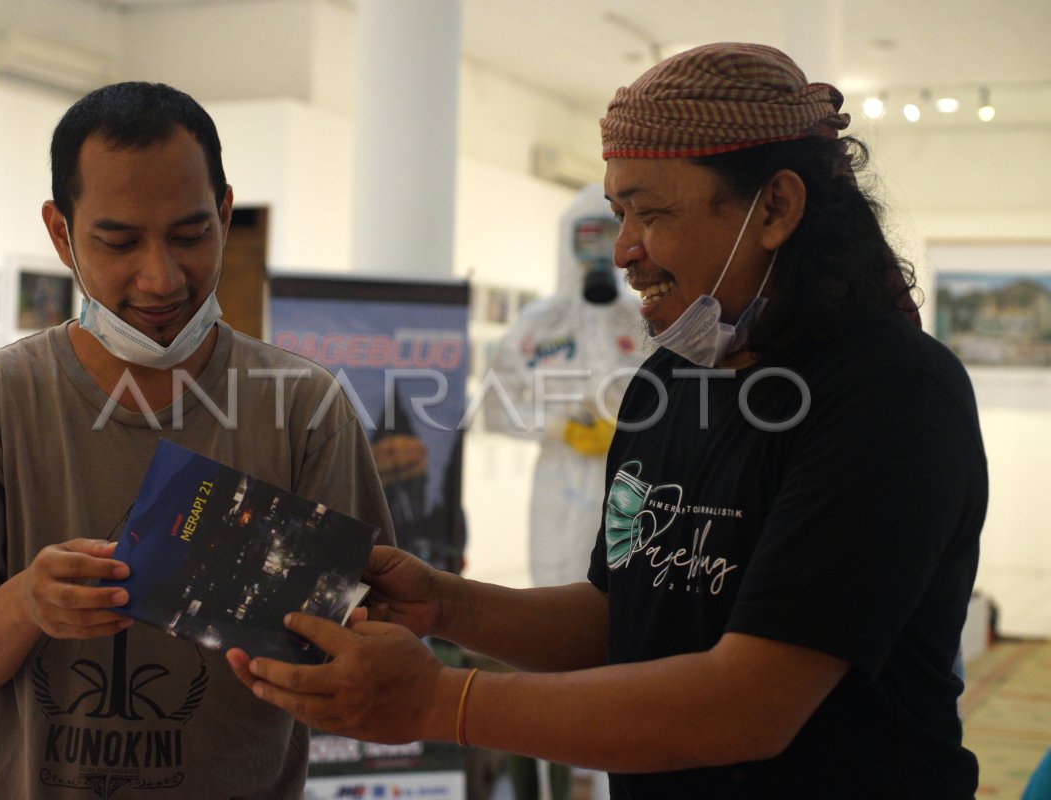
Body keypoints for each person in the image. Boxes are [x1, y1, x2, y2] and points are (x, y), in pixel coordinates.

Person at [226, 43, 988, 799]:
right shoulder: (672, 376)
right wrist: (448, 605)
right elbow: (623, 616)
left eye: (651, 214)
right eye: (618, 212)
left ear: (778, 208)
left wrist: (440, 702)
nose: (624, 250)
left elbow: (748, 707)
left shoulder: (891, 397)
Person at [0, 81, 394, 799]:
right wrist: (27, 602)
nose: (161, 277)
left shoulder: (304, 406)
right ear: (60, 234)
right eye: (118, 241)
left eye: (190, 235)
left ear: (224, 213)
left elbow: (371, 657)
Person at [482, 182, 644, 800]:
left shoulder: (643, 320)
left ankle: (613, 775)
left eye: (609, 233)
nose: (599, 249)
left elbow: (688, 401)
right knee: (556, 613)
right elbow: (497, 405)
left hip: (636, 487)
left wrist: (629, 427)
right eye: (588, 236)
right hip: (562, 488)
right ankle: (555, 774)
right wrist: (557, 427)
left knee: (626, 617)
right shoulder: (538, 325)